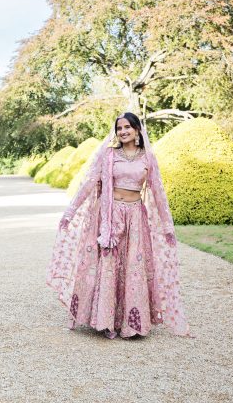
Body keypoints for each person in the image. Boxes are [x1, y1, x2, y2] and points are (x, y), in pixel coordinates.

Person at [47, 112, 190, 339]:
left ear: (137, 130)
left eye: (127, 127)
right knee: (108, 266)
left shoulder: (147, 158)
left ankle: (131, 324)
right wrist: (70, 212)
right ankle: (105, 321)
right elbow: (90, 182)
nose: (123, 132)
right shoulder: (109, 155)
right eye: (119, 128)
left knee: (133, 267)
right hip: (109, 214)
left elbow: (158, 193)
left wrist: (168, 227)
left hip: (135, 218)